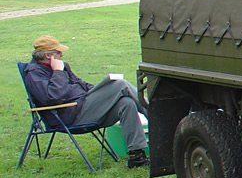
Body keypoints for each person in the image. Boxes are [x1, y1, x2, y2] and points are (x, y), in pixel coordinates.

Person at [24, 35, 150, 169]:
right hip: (71, 115)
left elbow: (81, 84)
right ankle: (158, 117)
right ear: (49, 56)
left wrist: (101, 89)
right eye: (58, 52)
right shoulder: (34, 73)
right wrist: (57, 71)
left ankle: (136, 156)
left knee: (126, 103)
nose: (61, 54)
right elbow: (53, 97)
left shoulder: (63, 66)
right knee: (121, 85)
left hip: (85, 105)